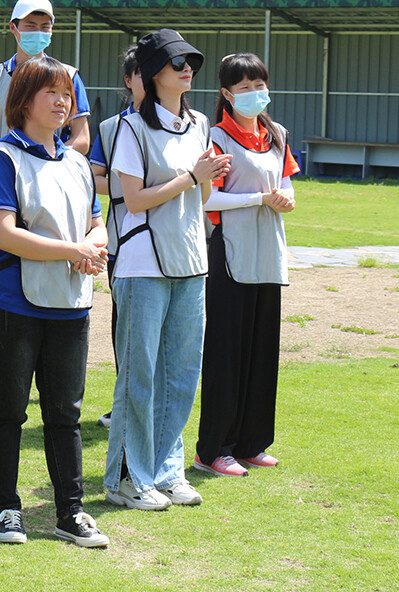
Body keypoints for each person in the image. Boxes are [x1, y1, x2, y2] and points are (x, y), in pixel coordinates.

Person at [0, 57, 110, 548]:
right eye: (51, 92)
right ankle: (7, 508)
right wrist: (75, 250)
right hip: (12, 303)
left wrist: (91, 244)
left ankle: (71, 511)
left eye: (67, 93)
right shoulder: (2, 158)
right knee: (9, 410)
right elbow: (3, 234)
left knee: (65, 413)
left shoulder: (77, 163)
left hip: (70, 304)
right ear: (24, 100)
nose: (62, 101)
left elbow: (97, 223)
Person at [103, 29, 230, 511]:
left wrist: (207, 178)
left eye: (190, 62)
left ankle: (166, 472)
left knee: (181, 374)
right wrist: (191, 177)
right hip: (142, 263)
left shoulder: (199, 124)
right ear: (153, 73)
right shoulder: (132, 127)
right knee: (140, 376)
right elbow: (134, 200)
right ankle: (126, 479)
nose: (187, 69)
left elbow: (202, 197)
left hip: (191, 259)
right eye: (177, 63)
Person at [0, 0, 92, 401]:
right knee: (0, 267)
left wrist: (52, 163)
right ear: (13, 28)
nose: (39, 32)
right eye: (31, 25)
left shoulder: (68, 74)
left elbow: (81, 137)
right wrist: (11, 163)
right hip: (7, 184)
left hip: (56, 184)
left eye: (46, 26)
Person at [195, 52, 299, 478]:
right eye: (245, 87)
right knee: (227, 353)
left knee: (261, 351)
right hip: (230, 253)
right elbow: (208, 199)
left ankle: (252, 443)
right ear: (227, 93)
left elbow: (286, 185)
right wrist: (259, 199)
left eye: (260, 85)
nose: (255, 93)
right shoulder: (216, 138)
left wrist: (285, 199)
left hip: (268, 254)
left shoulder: (277, 134)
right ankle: (214, 450)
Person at [89, 47, 144, 428]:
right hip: (122, 240)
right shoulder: (112, 128)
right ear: (128, 80)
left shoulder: (188, 124)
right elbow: (93, 177)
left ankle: (152, 407)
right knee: (124, 325)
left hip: (171, 243)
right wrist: (134, 187)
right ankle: (124, 402)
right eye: (142, 74)